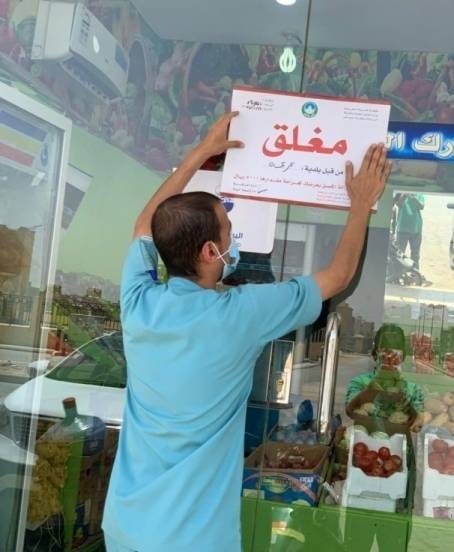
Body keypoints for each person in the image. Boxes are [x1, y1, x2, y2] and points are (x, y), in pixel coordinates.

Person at [102, 111, 391, 552]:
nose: (235, 242)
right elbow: (336, 276)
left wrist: (199, 154)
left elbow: (144, 226)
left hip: (125, 527)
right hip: (193, 540)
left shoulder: (139, 301)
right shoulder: (240, 314)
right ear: (209, 251)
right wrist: (361, 203)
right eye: (230, 233)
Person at [346, 322, 425, 428]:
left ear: (403, 358)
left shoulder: (414, 389)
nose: (390, 361)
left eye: (395, 356)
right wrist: (377, 385)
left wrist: (401, 399)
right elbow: (351, 411)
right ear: (375, 355)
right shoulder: (359, 382)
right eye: (385, 356)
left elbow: (417, 424)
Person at [393, 192, 425, 270]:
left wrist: (413, 197)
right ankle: (397, 273)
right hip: (402, 228)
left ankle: (415, 274)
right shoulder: (400, 193)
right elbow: (398, 204)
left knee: (415, 254)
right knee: (399, 253)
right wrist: (404, 196)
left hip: (416, 229)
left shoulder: (419, 194)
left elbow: (421, 206)